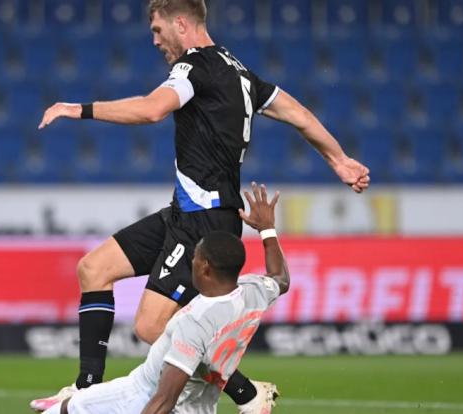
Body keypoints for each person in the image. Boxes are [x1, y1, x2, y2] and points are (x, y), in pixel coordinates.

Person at [32, 0, 370, 412]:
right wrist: (339, 159)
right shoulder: (241, 73)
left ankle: (246, 392)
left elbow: (152, 109)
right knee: (94, 268)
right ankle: (85, 388)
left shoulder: (195, 66)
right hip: (186, 212)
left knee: (151, 326)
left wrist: (77, 109)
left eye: (158, 30)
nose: (155, 41)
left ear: (181, 23)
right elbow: (298, 114)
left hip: (204, 220)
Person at [39, 183, 290, 414]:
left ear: (205, 268)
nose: (190, 261)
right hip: (194, 406)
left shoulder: (195, 322)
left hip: (142, 397)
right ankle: (248, 393)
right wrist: (267, 229)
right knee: (66, 408)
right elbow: (280, 278)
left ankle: (247, 393)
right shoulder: (253, 291)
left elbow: (163, 400)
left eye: (194, 257)